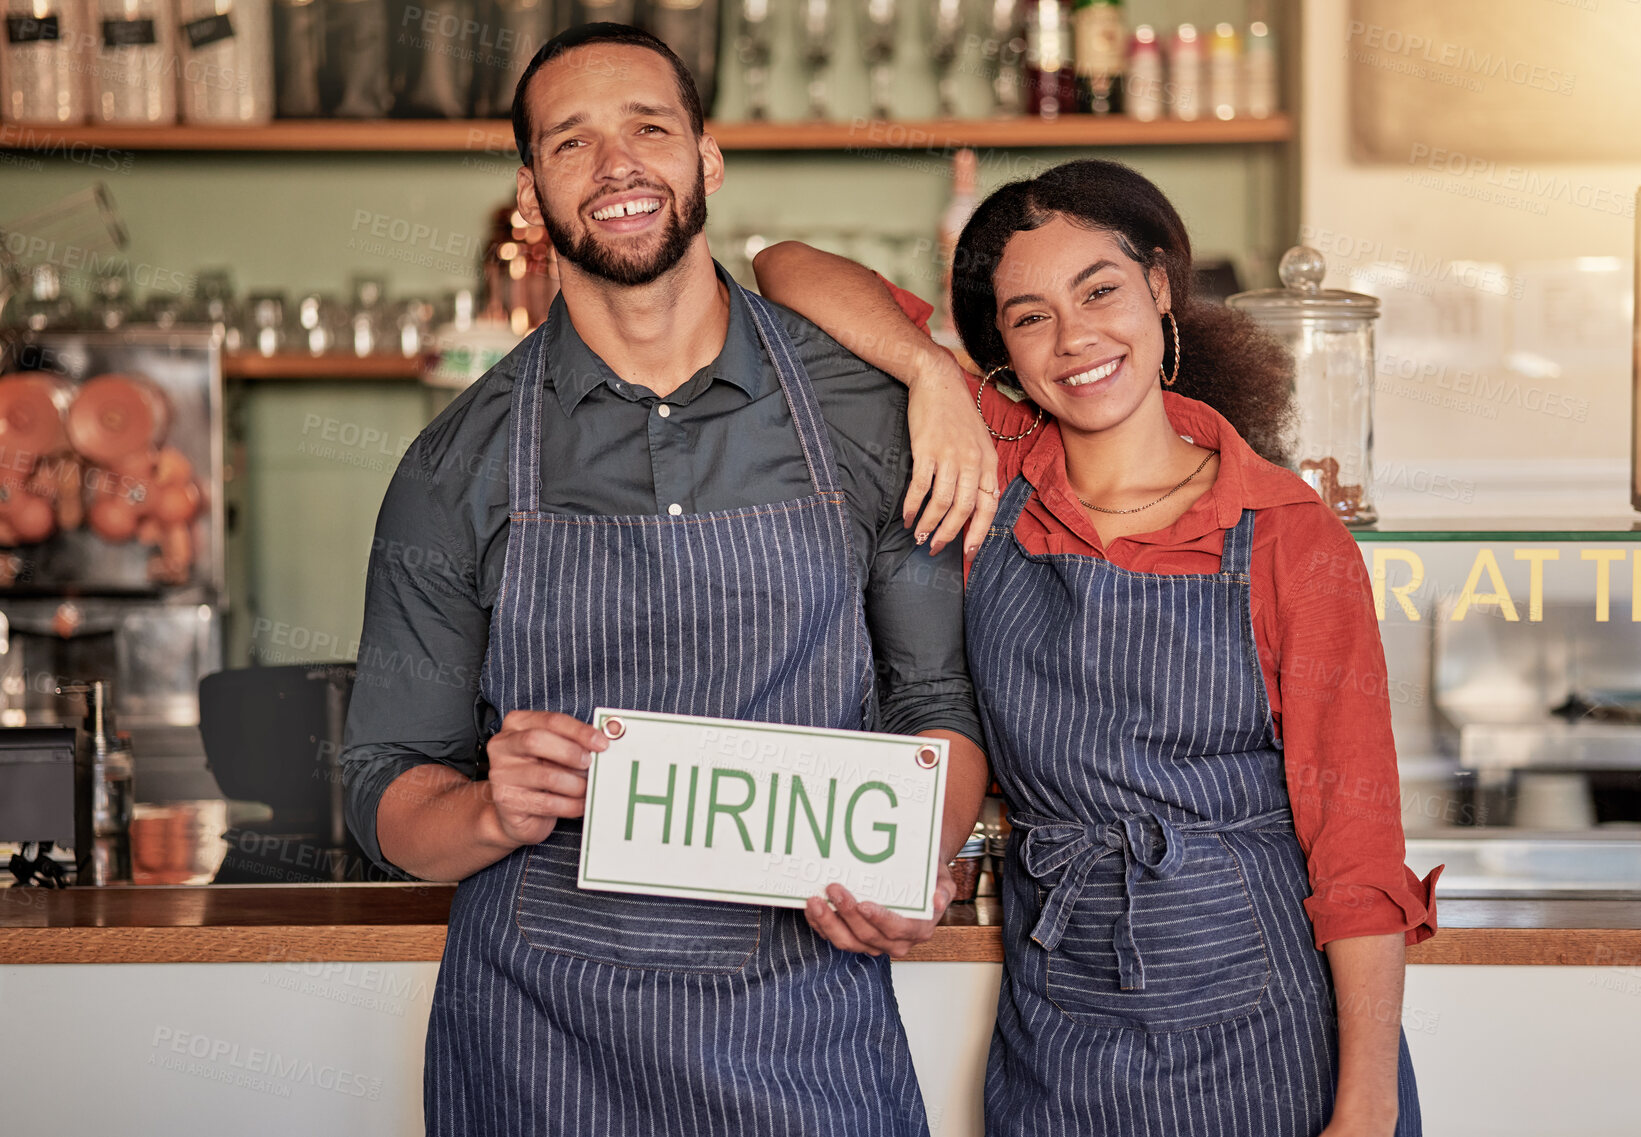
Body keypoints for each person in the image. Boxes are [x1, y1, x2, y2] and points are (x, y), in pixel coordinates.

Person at [340, 23, 994, 1136]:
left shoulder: (865, 414)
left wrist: (914, 853)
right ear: (530, 193)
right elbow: (384, 786)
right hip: (541, 1047)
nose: (618, 166)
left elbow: (935, 705)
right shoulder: (453, 466)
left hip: (807, 1033)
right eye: (571, 142)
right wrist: (488, 808)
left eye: (649, 127)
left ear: (708, 156)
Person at [754, 159, 1442, 1137]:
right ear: (1001, 344)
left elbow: (1358, 850)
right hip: (1062, 1040)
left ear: (1158, 292)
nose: (1074, 337)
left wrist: (1365, 1105)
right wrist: (924, 373)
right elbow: (784, 265)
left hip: (1272, 1037)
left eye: (1100, 290)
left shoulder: (1287, 533)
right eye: (1029, 315)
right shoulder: (991, 466)